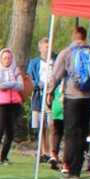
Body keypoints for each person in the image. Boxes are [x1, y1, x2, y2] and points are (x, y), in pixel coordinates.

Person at [44, 25, 90, 178]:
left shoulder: (67, 53)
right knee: (82, 131)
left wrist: (49, 92)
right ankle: (77, 168)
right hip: (89, 98)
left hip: (72, 96)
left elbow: (55, 75)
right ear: (85, 37)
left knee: (70, 132)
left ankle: (68, 167)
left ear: (74, 36)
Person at [0, 48, 27, 164]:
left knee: (10, 132)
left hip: (13, 104)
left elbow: (21, 86)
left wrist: (9, 84)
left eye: (9, 58)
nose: (7, 60)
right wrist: (13, 84)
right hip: (0, 104)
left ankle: (4, 157)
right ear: (1, 59)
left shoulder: (15, 70)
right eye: (4, 58)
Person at [26, 38, 55, 167]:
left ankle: (53, 152)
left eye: (50, 47)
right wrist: (38, 83)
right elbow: (29, 78)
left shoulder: (55, 61)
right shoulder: (34, 63)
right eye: (46, 47)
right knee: (41, 126)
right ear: (40, 48)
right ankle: (44, 152)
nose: (48, 49)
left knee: (52, 125)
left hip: (52, 97)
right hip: (39, 97)